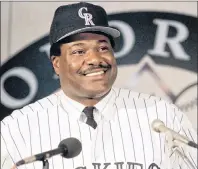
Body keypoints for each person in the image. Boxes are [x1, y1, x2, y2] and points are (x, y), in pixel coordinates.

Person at [1, 2, 197, 169]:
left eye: (103, 47)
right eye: (79, 51)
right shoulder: (18, 127)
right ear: (57, 63)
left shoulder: (162, 116)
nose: (95, 58)